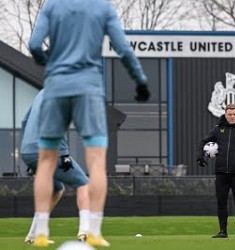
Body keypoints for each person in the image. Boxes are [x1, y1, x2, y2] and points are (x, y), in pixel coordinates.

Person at [28, 0, 150, 247]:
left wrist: (46, 62)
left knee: (46, 161)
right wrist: (140, 81)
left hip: (56, 87)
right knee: (96, 161)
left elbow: (33, 44)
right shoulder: (103, 8)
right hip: (88, 88)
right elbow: (123, 48)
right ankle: (93, 230)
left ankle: (40, 232)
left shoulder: (52, 6)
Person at [21, 90, 90, 244]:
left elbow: (24, 122)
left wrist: (28, 149)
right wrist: (64, 154)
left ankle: (33, 235)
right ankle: (85, 232)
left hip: (28, 152)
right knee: (83, 184)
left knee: (56, 189)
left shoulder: (41, 93)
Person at [197, 104, 235, 238]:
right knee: (221, 201)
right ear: (225, 115)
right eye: (229, 114)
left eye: (234, 114)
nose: (232, 117)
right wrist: (200, 157)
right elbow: (203, 142)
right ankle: (222, 231)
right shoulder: (218, 129)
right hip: (221, 172)